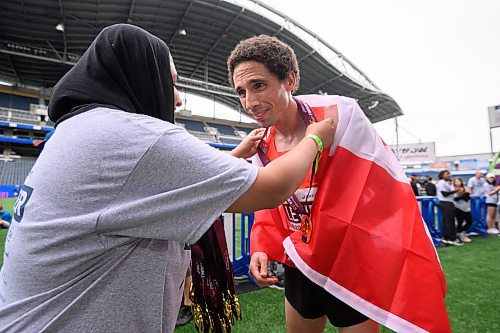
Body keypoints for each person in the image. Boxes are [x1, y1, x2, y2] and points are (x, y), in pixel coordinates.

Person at [0, 24, 336, 333]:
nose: (177, 98)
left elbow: (168, 187)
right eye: (171, 82)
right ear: (139, 78)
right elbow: (271, 187)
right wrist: (316, 138)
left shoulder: (82, 129)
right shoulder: (132, 136)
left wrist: (235, 156)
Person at [227, 35, 450, 333]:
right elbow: (272, 202)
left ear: (290, 80)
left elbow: (379, 186)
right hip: (301, 265)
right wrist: (262, 246)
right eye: (241, 91)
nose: (249, 102)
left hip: (351, 261)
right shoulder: (260, 145)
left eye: (258, 85)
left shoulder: (340, 117)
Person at [436, 170, 462, 246]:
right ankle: (452, 238)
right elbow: (444, 194)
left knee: (447, 221)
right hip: (446, 202)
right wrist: (455, 191)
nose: (449, 175)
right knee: (450, 221)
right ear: (442, 175)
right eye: (447, 174)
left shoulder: (446, 183)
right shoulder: (441, 182)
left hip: (448, 202)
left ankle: (447, 237)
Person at [453, 177, 472, 243]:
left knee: (470, 221)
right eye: (456, 181)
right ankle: (460, 234)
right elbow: (455, 198)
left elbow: (468, 194)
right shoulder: (453, 189)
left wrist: (465, 194)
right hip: (458, 208)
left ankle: (462, 232)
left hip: (466, 208)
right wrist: (464, 194)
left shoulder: (465, 188)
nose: (457, 183)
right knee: (460, 222)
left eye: (459, 181)